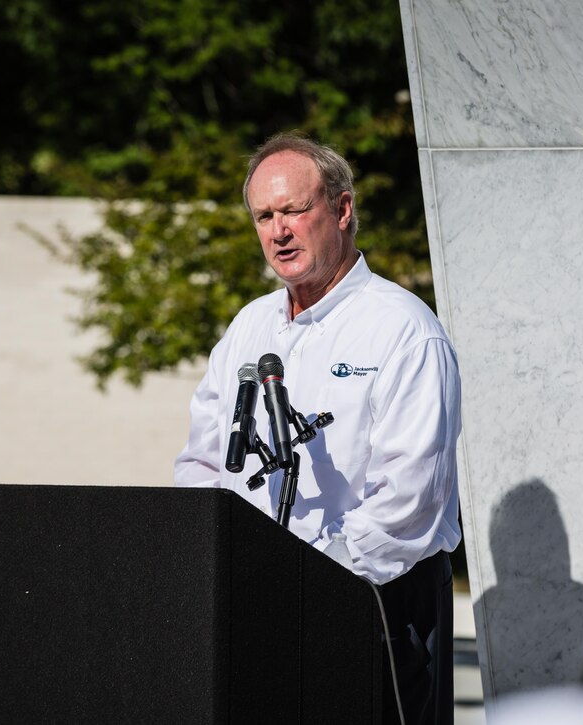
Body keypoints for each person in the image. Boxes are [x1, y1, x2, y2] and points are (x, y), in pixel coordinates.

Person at [174, 133, 462, 724]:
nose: (278, 230)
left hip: (375, 604)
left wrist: (309, 584)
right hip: (256, 606)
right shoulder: (249, 327)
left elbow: (410, 497)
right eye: (264, 216)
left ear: (342, 208)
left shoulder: (404, 330)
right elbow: (203, 464)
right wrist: (215, 568)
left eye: (295, 210)